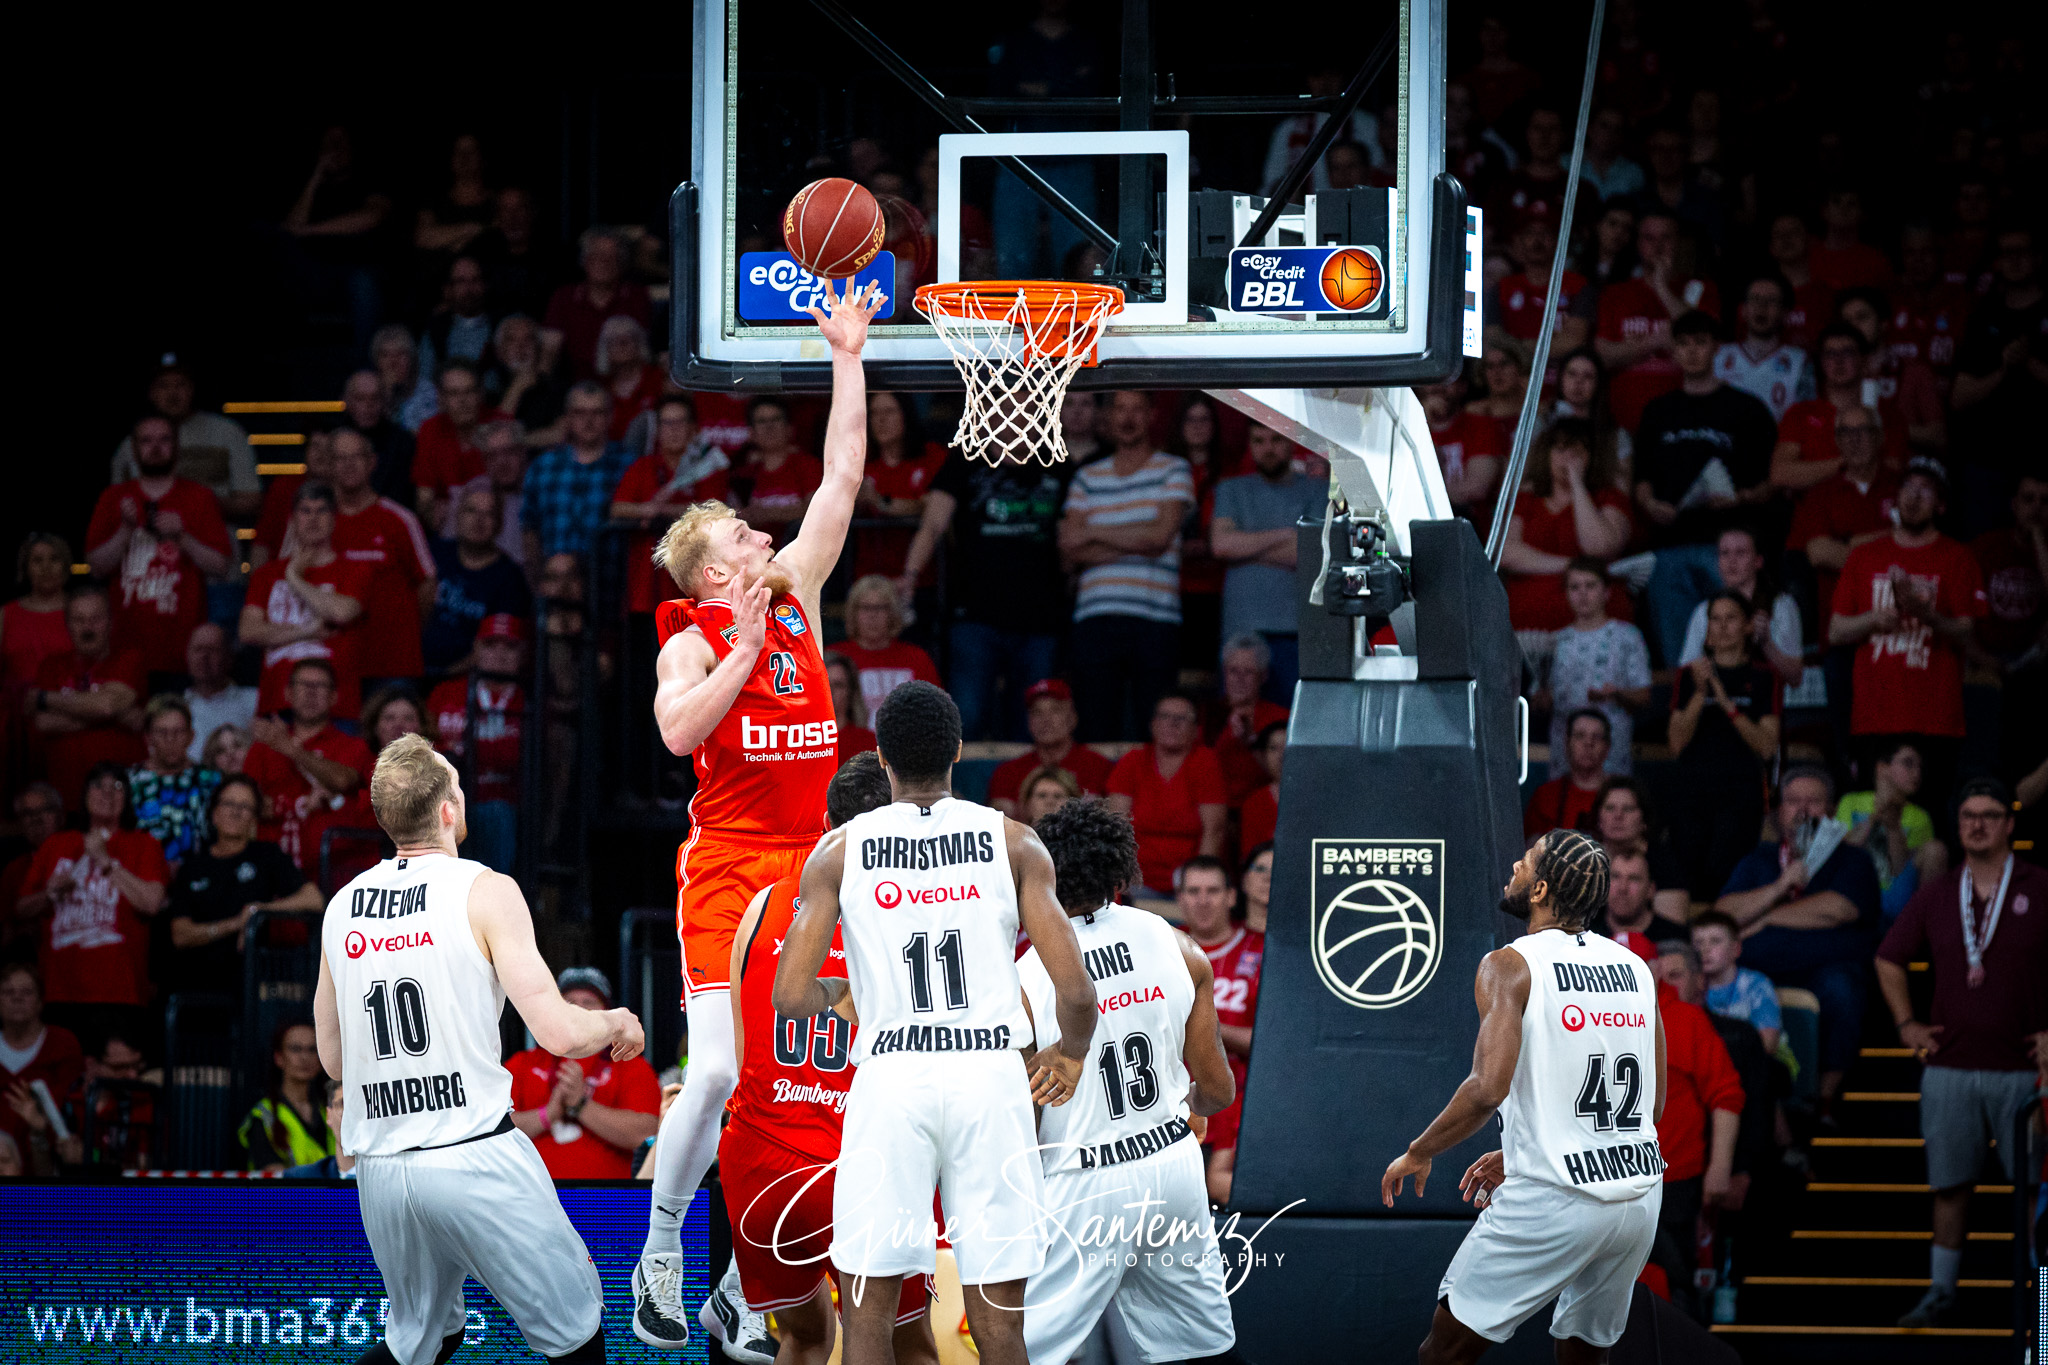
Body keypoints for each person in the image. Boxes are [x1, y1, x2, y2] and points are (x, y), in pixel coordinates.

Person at [634, 280, 887, 1344]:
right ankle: (657, 1251)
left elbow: (842, 474)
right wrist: (737, 650)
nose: (758, 526)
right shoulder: (692, 632)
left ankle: (746, 1284)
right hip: (730, 864)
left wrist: (845, 354)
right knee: (729, 1068)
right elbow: (678, 735)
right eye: (740, 526)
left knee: (829, 1070)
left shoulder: (798, 590)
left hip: (814, 864)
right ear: (711, 564)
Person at [771, 681, 1095, 1365]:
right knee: (1001, 1323)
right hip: (989, 1077)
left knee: (867, 1317)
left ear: (880, 755)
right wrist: (1068, 1055)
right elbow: (1076, 991)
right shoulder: (1014, 842)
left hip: (893, 1078)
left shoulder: (837, 851)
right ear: (955, 752)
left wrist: (842, 988)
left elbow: (790, 995)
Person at [313, 733, 645, 1365]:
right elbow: (560, 1034)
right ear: (445, 811)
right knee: (577, 1334)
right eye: (458, 790)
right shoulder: (485, 889)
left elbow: (333, 1061)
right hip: (473, 1155)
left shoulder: (341, 907)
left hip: (382, 1169)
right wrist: (619, 1022)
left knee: (424, 1341)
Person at [1383, 831, 1665, 1361]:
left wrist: (1420, 1151)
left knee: (1442, 1353)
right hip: (1638, 1199)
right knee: (1584, 1357)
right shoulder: (1636, 970)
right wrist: (1527, 1147)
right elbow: (1652, 1106)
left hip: (1557, 1198)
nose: (1515, 863)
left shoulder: (1509, 965)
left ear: (1538, 891)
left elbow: (1487, 1089)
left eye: (1526, 860)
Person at [713, 752, 940, 1365]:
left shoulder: (762, 907)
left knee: (808, 1338)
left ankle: (735, 1291)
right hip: (861, 1156)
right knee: (907, 1341)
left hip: (761, 1155)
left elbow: (746, 1048)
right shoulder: (916, 920)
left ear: (825, 822)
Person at [1018, 799, 1240, 1364]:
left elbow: (1022, 1113)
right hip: (1171, 1166)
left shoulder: (1025, 975)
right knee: (1200, 1348)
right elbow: (1217, 1090)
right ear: (1121, 868)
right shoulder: (1179, 944)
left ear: (1043, 872)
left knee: (1022, 1350)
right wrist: (1188, 1103)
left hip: (1084, 1178)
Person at [1877, 777, 2048, 1329]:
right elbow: (1888, 958)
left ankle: (2041, 1296)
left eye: (1990, 815)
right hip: (1949, 1065)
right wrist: (1906, 1023)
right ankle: (1942, 1293)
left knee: (2033, 1190)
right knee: (1948, 1185)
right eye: (1969, 815)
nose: (1977, 824)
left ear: (2010, 824)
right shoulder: (1939, 890)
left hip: (2025, 1068)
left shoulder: (2040, 886)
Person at [1715, 766, 1882, 1107]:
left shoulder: (1853, 860)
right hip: (1760, 969)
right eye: (1793, 801)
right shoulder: (1758, 859)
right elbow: (1724, 915)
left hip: (1826, 970)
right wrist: (1779, 886)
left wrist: (1764, 918)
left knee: (1843, 989)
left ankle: (1823, 1098)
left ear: (1832, 811)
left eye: (1814, 801)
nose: (1803, 810)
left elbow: (1838, 909)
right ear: (1779, 812)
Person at [1828, 458, 1986, 793]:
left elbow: (1968, 631)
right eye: (1907, 488)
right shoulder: (1864, 556)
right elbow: (1836, 630)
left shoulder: (1958, 557)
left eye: (1925, 491)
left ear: (1941, 505)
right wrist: (1873, 618)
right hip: (1874, 716)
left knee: (1929, 821)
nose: (1913, 497)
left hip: (1935, 719)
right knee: (1871, 816)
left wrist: (1925, 613)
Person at [897, 445, 1072, 742]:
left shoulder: (1056, 460)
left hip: (1040, 615)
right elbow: (934, 523)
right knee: (968, 717)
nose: (1013, 410)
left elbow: (1072, 531)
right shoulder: (966, 459)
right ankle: (961, 790)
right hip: (974, 613)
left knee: (1032, 726)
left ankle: (1031, 789)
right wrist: (910, 574)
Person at [1631, 310, 1777, 663]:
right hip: (1670, 546)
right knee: (1680, 655)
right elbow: (1640, 480)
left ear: (1716, 348)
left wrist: (1738, 499)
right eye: (1683, 344)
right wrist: (1651, 506)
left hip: (1728, 546)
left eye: (1700, 342)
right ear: (1673, 351)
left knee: (1740, 646)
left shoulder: (1746, 409)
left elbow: (1773, 482)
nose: (1692, 351)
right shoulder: (1657, 411)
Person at [1061, 391, 1197, 741]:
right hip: (1095, 617)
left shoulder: (1174, 468)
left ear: (1152, 415)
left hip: (1156, 619)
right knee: (1095, 729)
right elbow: (1070, 548)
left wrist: (1092, 531)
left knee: (1152, 733)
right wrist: (1141, 539)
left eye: (1136, 408)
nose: (1127, 417)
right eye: (1119, 408)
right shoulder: (1087, 476)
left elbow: (1160, 537)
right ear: (1107, 416)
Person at [14, 763, 167, 1046]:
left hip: (120, 994)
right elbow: (21, 909)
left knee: (117, 1082)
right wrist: (48, 894)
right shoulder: (56, 844)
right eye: (98, 785)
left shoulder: (145, 845)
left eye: (117, 787)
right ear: (84, 795)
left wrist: (106, 863)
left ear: (127, 798)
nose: (107, 793)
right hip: (59, 992)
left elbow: (151, 904)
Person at [86, 413, 233, 676]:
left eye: (164, 440)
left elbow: (221, 566)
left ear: (177, 446)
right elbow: (96, 567)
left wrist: (183, 537)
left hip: (185, 650)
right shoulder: (113, 498)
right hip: (124, 649)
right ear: (134, 448)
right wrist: (125, 530)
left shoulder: (199, 497)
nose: (155, 447)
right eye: (146, 440)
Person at [1646, 941, 1747, 1319]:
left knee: (1677, 1284)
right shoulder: (1591, 1016)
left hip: (1675, 1178)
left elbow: (1726, 1094)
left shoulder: (1686, 1019)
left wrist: (1720, 1170)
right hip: (1610, 1178)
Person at [165, 774, 321, 1001]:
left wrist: (259, 910)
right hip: (195, 982)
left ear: (254, 819)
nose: (236, 812)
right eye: (229, 804)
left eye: (245, 806)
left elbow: (314, 899)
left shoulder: (266, 855)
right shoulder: (193, 866)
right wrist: (236, 923)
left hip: (250, 981)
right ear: (214, 813)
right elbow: (181, 935)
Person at [1667, 592, 1781, 899]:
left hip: (1740, 791)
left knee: (1728, 874)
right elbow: (1676, 743)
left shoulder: (1763, 677)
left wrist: (1726, 703)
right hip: (1693, 789)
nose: (1722, 627)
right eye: (1714, 619)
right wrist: (1699, 694)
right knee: (1688, 872)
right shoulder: (1689, 675)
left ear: (1746, 626)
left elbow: (1767, 746)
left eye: (1730, 618)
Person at [507, 966, 661, 1179]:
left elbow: (645, 1133)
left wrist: (580, 1104)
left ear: (607, 1012)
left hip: (606, 1202)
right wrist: (546, 1115)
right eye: (569, 1003)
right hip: (531, 1199)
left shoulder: (629, 1062)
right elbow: (489, 1130)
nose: (579, 1010)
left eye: (589, 1002)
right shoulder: (522, 1063)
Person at [1210, 422, 1327, 699]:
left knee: (1291, 719)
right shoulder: (1231, 489)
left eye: (1276, 439)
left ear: (1290, 443)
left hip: (1297, 628)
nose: (1268, 449)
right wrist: (1287, 533)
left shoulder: (1317, 490)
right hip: (1241, 629)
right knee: (1241, 721)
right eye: (1259, 441)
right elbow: (1221, 545)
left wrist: (1245, 544)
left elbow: (1310, 554)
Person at [239, 482, 372, 718]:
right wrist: (308, 630)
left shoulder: (354, 570)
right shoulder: (266, 575)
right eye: (305, 511)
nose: (313, 518)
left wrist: (294, 577)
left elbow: (341, 613)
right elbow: (248, 631)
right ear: (292, 519)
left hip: (336, 709)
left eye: (321, 511)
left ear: (334, 519)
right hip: (277, 704)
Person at [1174, 854, 1261, 1205]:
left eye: (1213, 890)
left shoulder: (1261, 948)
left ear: (1231, 896)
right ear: (1179, 898)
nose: (1203, 900)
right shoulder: (1159, 947)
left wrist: (1200, 1023)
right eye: (1193, 891)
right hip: (1169, 1103)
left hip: (1238, 1108)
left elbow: (1271, 1046)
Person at [326, 428, 437, 688]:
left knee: (399, 730)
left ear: (372, 462)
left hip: (394, 664)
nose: (349, 465)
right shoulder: (318, 522)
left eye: (357, 457)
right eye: (340, 458)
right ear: (329, 465)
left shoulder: (399, 519)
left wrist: (403, 632)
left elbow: (428, 584)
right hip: (335, 665)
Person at [1595, 210, 1723, 432]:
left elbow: (1703, 334)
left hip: (1687, 418)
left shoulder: (1703, 288)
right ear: (1638, 243)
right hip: (1625, 420)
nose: (1658, 245)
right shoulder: (1615, 293)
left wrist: (1662, 289)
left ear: (1679, 242)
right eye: (1649, 238)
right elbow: (1604, 356)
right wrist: (1654, 341)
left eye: (1666, 238)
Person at [1786, 403, 1900, 650]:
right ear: (1837, 441)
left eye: (1863, 430)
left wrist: (1849, 544)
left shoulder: (1902, 488)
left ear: (1879, 437)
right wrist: (1889, 541)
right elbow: (1820, 555)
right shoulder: (1820, 494)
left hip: (1897, 634)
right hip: (1840, 632)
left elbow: (1919, 550)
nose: (1855, 440)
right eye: (1846, 433)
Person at [245, 659, 376, 875]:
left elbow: (342, 780)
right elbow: (247, 803)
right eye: (303, 685)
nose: (311, 693)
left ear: (334, 697)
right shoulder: (262, 749)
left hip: (337, 870)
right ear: (288, 693)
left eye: (319, 686)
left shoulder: (354, 746)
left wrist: (293, 750)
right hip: (272, 871)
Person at [1499, 424, 1634, 633]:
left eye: (1578, 452)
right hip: (1528, 622)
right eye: (1561, 450)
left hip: (1596, 621)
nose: (1569, 459)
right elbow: (1506, 553)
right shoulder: (1526, 499)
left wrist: (1577, 485)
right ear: (1547, 455)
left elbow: (1599, 547)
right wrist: (1573, 564)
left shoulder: (1609, 497)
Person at [29, 585, 146, 810]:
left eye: (96, 619)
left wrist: (44, 698)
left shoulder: (130, 658)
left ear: (111, 622)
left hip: (122, 800)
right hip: (65, 799)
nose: (87, 627)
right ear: (67, 625)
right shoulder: (51, 666)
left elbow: (107, 705)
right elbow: (43, 722)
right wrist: (113, 716)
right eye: (79, 620)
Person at [426, 615, 526, 875]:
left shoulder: (529, 701)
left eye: (510, 646)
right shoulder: (444, 693)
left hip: (499, 806)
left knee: (495, 813)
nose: (500, 654)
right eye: (491, 644)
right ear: (476, 649)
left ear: (523, 654)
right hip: (444, 804)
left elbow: (519, 758)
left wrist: (461, 752)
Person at [612, 397, 729, 617]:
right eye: (666, 423)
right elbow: (617, 508)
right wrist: (646, 511)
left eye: (680, 422)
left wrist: (659, 512)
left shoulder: (709, 466)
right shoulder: (643, 466)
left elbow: (713, 511)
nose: (673, 430)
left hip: (696, 587)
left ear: (693, 429)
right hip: (645, 584)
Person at [106, 358, 262, 520]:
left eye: (180, 384)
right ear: (151, 393)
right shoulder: (130, 444)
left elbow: (253, 500)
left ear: (193, 389)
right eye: (163, 386)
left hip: (213, 536)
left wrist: (200, 502)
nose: (172, 393)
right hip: (144, 539)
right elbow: (113, 506)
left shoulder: (227, 432)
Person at [1105, 694, 1227, 897]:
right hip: (1135, 880)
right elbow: (1115, 829)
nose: (1172, 724)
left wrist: (1196, 885)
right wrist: (1121, 879)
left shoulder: (1205, 763)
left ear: (1196, 730)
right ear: (1153, 725)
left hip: (1187, 881)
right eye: (1165, 716)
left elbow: (1213, 832)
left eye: (1181, 718)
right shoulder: (1132, 762)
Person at [1539, 560, 1651, 774]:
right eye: (1575, 587)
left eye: (1590, 586)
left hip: (1612, 749)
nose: (1582, 594)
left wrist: (1617, 693)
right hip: (1565, 752)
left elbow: (1644, 696)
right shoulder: (1554, 641)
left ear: (1607, 592)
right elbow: (1541, 701)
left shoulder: (1627, 636)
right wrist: (1542, 700)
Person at [1771, 323, 1905, 491]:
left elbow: (1893, 469)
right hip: (1813, 512)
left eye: (1847, 353)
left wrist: (1812, 471)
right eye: (1830, 354)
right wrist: (1847, 462)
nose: (1838, 361)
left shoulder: (1886, 414)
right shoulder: (1800, 412)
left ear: (1864, 360)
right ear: (1820, 362)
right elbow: (1780, 474)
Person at [520, 382, 636, 569]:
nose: (588, 421)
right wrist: (537, 580)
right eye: (580, 413)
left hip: (612, 586)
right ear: (567, 418)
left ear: (610, 417)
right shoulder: (543, 466)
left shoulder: (629, 466)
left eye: (597, 413)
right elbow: (529, 529)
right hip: (554, 588)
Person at [423, 483, 533, 676]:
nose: (478, 520)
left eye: (488, 514)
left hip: (470, 678)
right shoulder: (434, 552)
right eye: (471, 511)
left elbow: (499, 646)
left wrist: (445, 675)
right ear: (458, 517)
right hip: (414, 666)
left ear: (499, 524)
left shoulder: (510, 577)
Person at [1676, 526, 1805, 687]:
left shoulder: (1780, 605)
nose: (1732, 561)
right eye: (1725, 553)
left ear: (1758, 561)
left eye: (1741, 553)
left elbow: (1795, 678)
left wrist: (1766, 644)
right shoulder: (1704, 610)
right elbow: (1686, 673)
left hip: (1767, 705)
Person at [1839, 738, 1950, 918]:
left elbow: (1898, 870)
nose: (1917, 773)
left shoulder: (1920, 817)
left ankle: (1929, 926)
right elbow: (1843, 854)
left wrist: (1893, 827)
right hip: (1854, 891)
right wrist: (1876, 816)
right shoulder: (1851, 802)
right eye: (1908, 764)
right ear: (1882, 768)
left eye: (1919, 767)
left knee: (1935, 850)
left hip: (1897, 896)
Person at [985, 678, 1113, 818]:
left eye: (1055, 710)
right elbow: (1001, 829)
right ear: (1028, 721)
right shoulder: (1007, 773)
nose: (1046, 720)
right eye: (1037, 712)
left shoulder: (1099, 767)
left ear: (1073, 718)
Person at [126, 695, 222, 870]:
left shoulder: (212, 781)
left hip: (200, 877)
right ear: (148, 737)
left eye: (178, 732)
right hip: (139, 878)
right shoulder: (128, 781)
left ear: (191, 736)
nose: (170, 740)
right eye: (162, 732)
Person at [545, 227, 652, 381]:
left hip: (624, 384)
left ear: (621, 262)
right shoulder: (564, 297)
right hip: (575, 385)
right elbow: (550, 351)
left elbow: (642, 352)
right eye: (596, 256)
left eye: (611, 256)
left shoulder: (636, 296)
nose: (603, 262)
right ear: (584, 260)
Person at [0, 962, 84, 1157]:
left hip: (50, 1160)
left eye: (27, 992)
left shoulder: (63, 1043)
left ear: (40, 1001)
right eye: (8, 992)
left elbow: (75, 1113)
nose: (17, 998)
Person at [830, 575, 941, 717]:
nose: (873, 615)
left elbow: (936, 712)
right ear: (853, 612)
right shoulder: (835, 657)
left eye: (880, 608)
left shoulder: (917, 658)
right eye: (865, 608)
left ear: (893, 612)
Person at [1969, 471, 2047, 668]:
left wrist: (2038, 538)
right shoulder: (1986, 547)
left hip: (2032, 660)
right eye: (2028, 499)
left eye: (2045, 501)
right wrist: (1983, 659)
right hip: (1985, 657)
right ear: (2014, 505)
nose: (2036, 508)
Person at [1588, 777, 1691, 925]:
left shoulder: (1665, 864)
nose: (1618, 816)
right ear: (1599, 819)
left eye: (1628, 809)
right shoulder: (1583, 861)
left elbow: (1671, 930)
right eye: (1610, 808)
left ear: (1644, 820)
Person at [411, 358, 497, 529]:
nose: (462, 401)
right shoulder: (430, 430)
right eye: (453, 394)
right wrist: (430, 511)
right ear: (441, 398)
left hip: (496, 524)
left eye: (469, 392)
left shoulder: (500, 425)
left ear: (481, 394)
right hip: (446, 530)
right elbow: (425, 496)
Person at [239, 1020, 336, 1171]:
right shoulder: (263, 1115)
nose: (305, 1057)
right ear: (279, 1057)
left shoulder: (331, 1109)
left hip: (336, 1194)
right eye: (295, 1049)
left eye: (312, 1049)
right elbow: (274, 1177)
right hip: (289, 1195)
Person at [1712, 273, 1809, 422]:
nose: (1762, 307)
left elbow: (1806, 416)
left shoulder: (1799, 360)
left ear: (1785, 312)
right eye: (1755, 299)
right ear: (1743, 309)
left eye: (1771, 300)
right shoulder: (1718, 355)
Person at [1208, 635, 1290, 808]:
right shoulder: (1207, 714)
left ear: (1263, 676)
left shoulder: (1281, 719)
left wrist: (1250, 742)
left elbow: (1288, 777)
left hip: (1259, 810)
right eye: (1233, 671)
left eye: (1248, 672)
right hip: (1213, 811)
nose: (1239, 679)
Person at [1, 533, 75, 722]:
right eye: (37, 560)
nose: (46, 568)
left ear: (65, 565)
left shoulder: (83, 611)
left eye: (54, 559)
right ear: (26, 568)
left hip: (70, 715)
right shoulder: (6, 614)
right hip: (15, 721)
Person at [1690, 911, 1782, 1054]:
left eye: (1715, 941)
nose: (1705, 949)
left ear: (1736, 949)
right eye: (1698, 942)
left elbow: (1768, 1045)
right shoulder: (1689, 986)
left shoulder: (1757, 986)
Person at [730, 397, 823, 537]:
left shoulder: (809, 465)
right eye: (761, 421)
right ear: (751, 433)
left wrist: (770, 513)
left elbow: (820, 512)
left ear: (789, 428)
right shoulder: (743, 474)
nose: (769, 427)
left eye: (776, 419)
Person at [1524, 709, 1615, 838]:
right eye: (1580, 736)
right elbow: (1531, 851)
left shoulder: (1621, 796)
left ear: (1607, 746)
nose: (1588, 743)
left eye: (1597, 737)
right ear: (1567, 744)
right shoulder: (1545, 796)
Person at [0, 784, 65, 961]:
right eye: (28, 813)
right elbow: (7, 933)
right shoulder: (14, 870)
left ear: (60, 817)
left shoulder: (79, 857)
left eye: (45, 810)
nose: (36, 818)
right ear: (21, 823)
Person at [340, 368, 418, 502]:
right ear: (347, 401)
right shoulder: (334, 441)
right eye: (360, 399)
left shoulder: (404, 443)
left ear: (384, 401)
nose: (368, 406)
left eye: (374, 398)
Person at [182, 623, 257, 762]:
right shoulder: (176, 705)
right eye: (198, 649)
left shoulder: (254, 700)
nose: (204, 656)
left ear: (229, 657)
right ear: (187, 655)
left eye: (212, 650)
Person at [1598, 846, 1686, 963]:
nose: (1623, 888)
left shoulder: (1675, 939)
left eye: (1634, 879)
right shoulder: (1584, 934)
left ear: (1650, 889)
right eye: (1615, 877)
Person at [1238, 725, 1285, 858]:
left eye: (1288, 746)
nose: (1282, 755)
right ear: (1263, 756)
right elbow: (1249, 857)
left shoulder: (1317, 799)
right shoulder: (1253, 804)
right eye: (1273, 748)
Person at [825, 653, 877, 764]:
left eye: (838, 685)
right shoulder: (796, 741)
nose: (830, 690)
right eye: (824, 683)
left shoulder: (868, 743)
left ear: (851, 692)